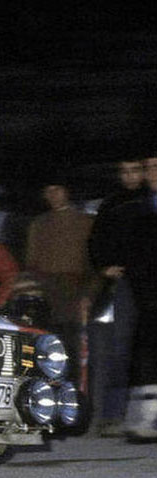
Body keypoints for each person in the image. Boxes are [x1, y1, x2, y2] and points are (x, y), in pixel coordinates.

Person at [86, 157, 146, 435]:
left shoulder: (149, 201)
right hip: (121, 288)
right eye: (125, 171)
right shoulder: (112, 204)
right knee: (116, 352)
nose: (131, 176)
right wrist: (104, 266)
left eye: (136, 170)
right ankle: (112, 416)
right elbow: (96, 241)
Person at [24, 179, 97, 373]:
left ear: (66, 192)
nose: (53, 195)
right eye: (49, 191)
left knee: (75, 348)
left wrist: (88, 294)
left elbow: (93, 264)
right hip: (47, 294)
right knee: (47, 346)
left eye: (57, 190)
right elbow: (32, 262)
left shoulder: (85, 222)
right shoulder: (39, 224)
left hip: (75, 292)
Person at [121, 155, 157, 440]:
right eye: (148, 168)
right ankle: (144, 421)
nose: (152, 172)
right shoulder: (137, 208)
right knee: (146, 355)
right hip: (147, 294)